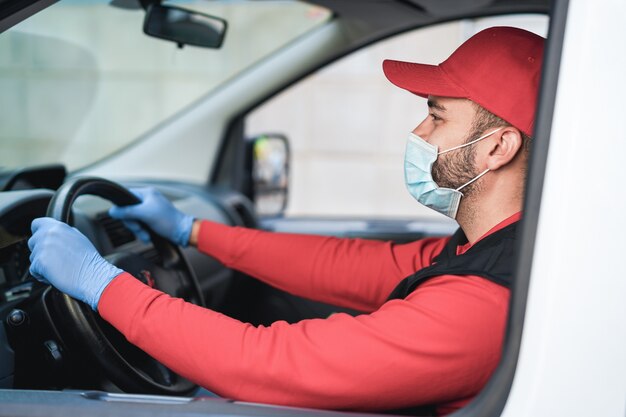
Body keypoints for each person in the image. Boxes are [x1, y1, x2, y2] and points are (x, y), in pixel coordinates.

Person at [28, 26, 544, 415]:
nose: (419, 130)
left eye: (436, 115)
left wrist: (103, 283)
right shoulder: (493, 248)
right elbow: (355, 265)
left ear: (496, 147)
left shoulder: (483, 305)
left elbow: (265, 363)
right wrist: (193, 231)